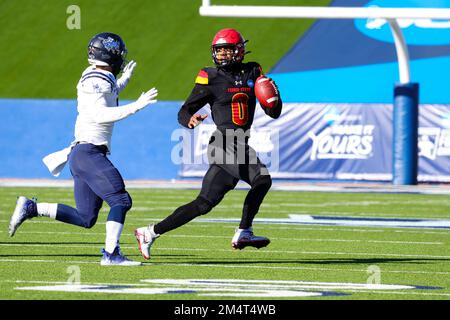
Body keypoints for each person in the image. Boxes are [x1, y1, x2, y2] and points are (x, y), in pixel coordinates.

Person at [8, 32, 158, 266]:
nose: (121, 58)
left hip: (83, 154)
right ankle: (111, 254)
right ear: (108, 55)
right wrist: (136, 106)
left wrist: (125, 80)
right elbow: (101, 114)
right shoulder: (94, 80)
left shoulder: (100, 76)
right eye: (118, 54)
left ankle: (31, 207)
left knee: (86, 217)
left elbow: (108, 96)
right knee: (121, 200)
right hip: (89, 152)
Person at [134, 28, 282, 260]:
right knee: (262, 179)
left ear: (240, 50)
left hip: (239, 143)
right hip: (224, 144)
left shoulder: (254, 70)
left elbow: (273, 112)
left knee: (204, 203)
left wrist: (273, 98)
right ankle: (244, 231)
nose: (222, 55)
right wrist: (189, 120)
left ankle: (149, 232)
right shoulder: (210, 76)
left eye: (227, 50)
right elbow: (185, 110)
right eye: (219, 50)